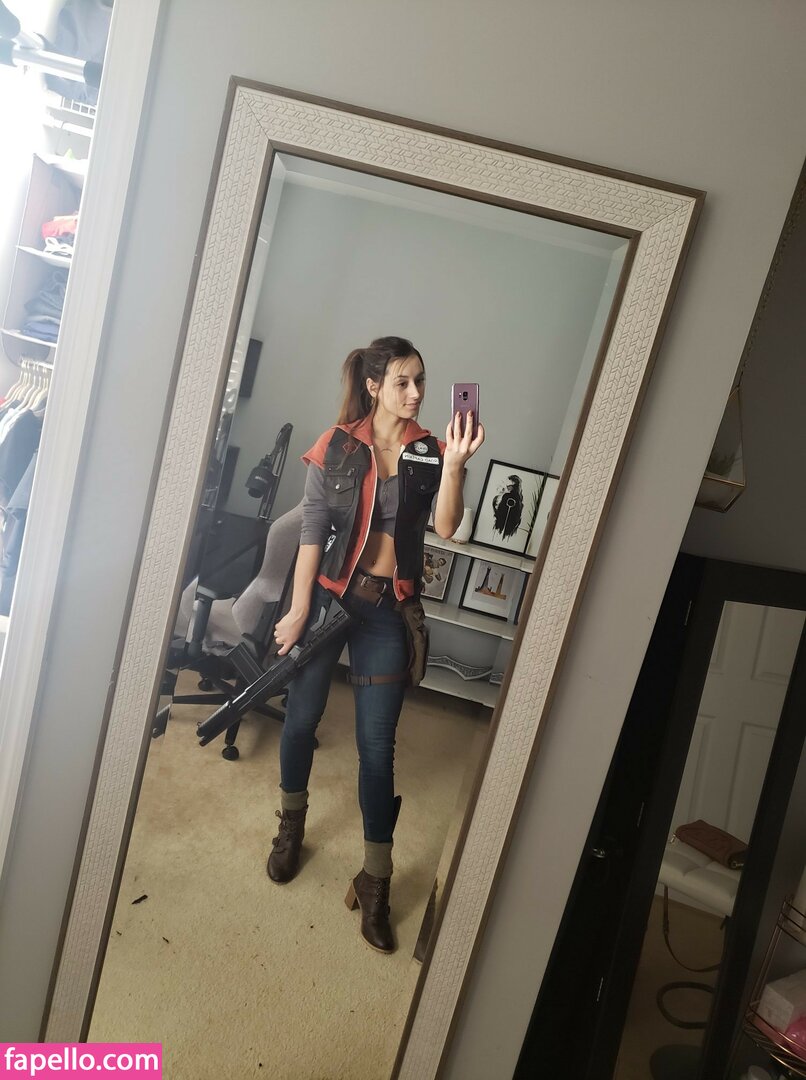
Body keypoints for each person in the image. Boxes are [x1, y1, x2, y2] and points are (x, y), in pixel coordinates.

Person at [267, 336, 485, 953]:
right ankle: (291, 826)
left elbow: (447, 527)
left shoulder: (429, 451)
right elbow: (313, 531)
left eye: (421, 381)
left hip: (388, 612)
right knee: (300, 720)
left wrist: (455, 465)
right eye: (402, 382)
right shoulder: (337, 445)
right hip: (331, 600)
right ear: (373, 386)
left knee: (377, 749)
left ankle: (375, 880)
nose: (416, 394)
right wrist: (299, 609)